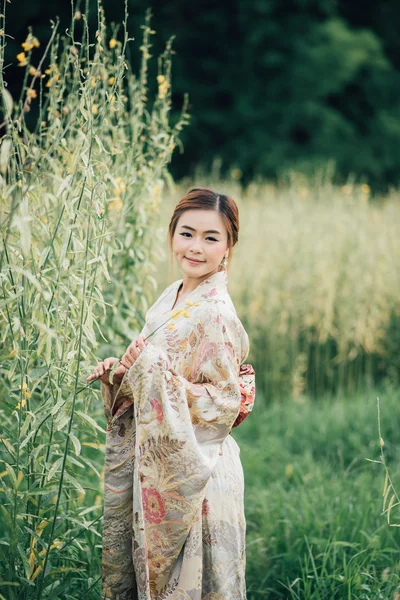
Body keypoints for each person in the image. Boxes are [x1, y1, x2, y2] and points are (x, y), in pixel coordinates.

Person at [86, 187, 256, 600]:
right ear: (172, 235)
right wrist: (121, 373)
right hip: (159, 468)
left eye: (211, 238)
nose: (196, 248)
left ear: (228, 246)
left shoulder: (215, 310)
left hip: (199, 475)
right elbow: (149, 368)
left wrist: (152, 371)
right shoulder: (171, 296)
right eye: (187, 233)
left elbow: (224, 402)